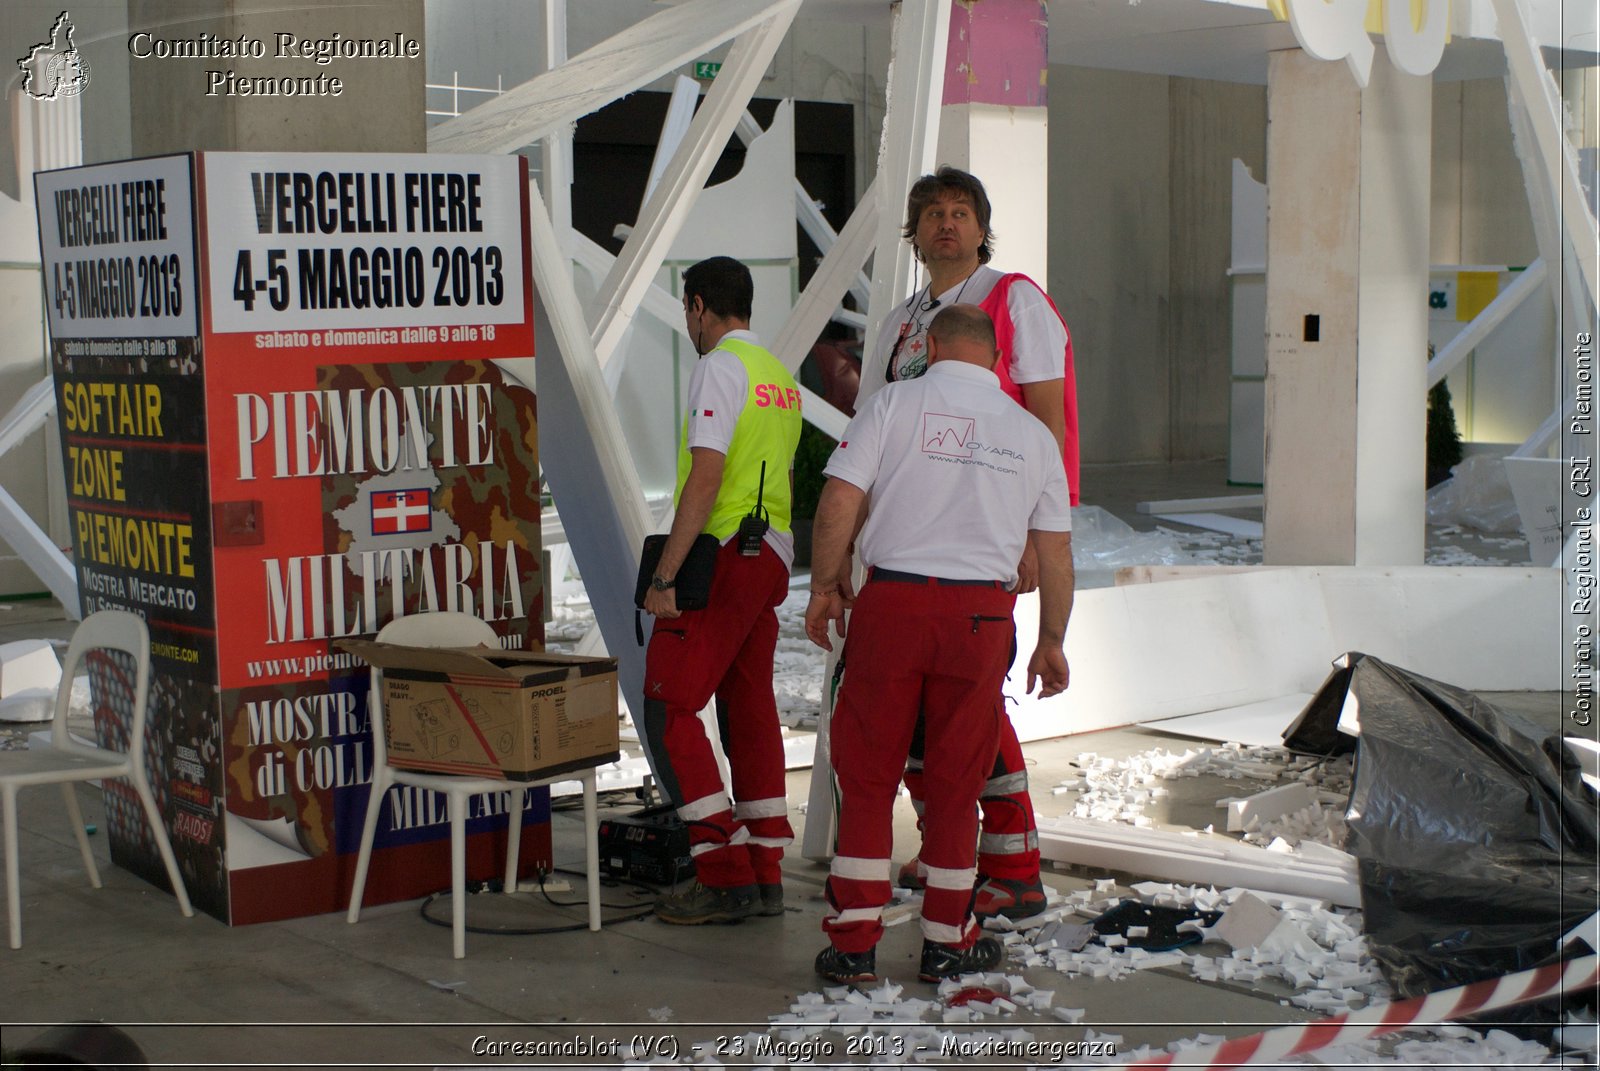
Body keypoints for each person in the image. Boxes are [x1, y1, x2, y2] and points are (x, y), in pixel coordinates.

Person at [806, 304, 1074, 984]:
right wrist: (1051, 641)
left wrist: (827, 585)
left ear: (927, 346)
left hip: (893, 607)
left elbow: (838, 502)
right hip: (982, 619)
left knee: (866, 779)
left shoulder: (895, 404)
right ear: (994, 358)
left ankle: (854, 946)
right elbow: (1057, 550)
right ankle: (949, 940)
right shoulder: (1032, 436)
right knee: (957, 785)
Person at [877, 166, 1079, 922]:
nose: (946, 224)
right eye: (931, 212)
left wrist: (1035, 531)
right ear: (916, 231)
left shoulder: (1013, 299)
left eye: (961, 212)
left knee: (970, 705)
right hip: (910, 541)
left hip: (983, 535)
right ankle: (945, 845)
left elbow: (1048, 422)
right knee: (919, 708)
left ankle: (1015, 861)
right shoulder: (906, 319)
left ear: (982, 226)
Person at [642, 256, 803, 925]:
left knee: (668, 703)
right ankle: (765, 867)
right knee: (747, 705)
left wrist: (665, 574)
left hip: (726, 554)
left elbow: (705, 475)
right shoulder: (780, 378)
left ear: (701, 306)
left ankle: (723, 869)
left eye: (687, 311)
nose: (688, 323)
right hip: (770, 556)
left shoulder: (718, 367)